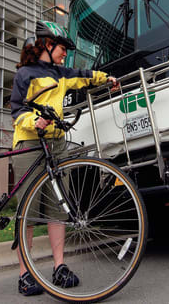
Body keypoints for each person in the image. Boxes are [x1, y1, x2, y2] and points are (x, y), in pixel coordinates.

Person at [10, 20, 118, 296]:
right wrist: (34, 121)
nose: (65, 53)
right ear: (47, 45)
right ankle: (25, 274)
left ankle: (59, 266)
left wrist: (106, 78)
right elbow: (16, 111)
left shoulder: (61, 73)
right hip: (29, 144)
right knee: (28, 213)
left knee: (59, 208)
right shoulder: (25, 74)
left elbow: (84, 75)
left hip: (56, 145)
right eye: (62, 48)